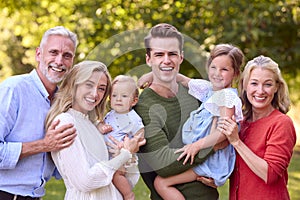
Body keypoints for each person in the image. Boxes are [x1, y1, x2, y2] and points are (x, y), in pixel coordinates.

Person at [134, 23, 219, 200]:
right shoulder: (144, 106)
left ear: (181, 57)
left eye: (172, 54)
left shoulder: (194, 93)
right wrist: (213, 145)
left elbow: (226, 105)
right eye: (159, 54)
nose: (166, 60)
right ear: (149, 59)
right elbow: (164, 163)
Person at [153, 44, 244, 200]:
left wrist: (196, 146)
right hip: (204, 155)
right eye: (213, 67)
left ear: (235, 73)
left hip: (210, 161)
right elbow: (181, 79)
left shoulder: (227, 97)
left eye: (224, 69)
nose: (217, 73)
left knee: (161, 183)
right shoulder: (209, 90)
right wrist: (151, 77)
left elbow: (224, 132)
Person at [45, 61, 145, 200]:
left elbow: (126, 181)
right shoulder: (66, 122)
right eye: (89, 85)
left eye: (101, 88)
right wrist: (125, 154)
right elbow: (86, 182)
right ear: (74, 84)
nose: (95, 93)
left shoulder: (94, 125)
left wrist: (127, 155)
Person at [0, 26, 78, 200]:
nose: (59, 61)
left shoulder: (62, 102)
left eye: (67, 56)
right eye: (53, 52)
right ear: (38, 55)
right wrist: (44, 145)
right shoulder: (13, 90)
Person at [218, 55, 296, 200]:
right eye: (254, 83)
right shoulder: (241, 122)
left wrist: (236, 142)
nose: (260, 91)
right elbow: (238, 168)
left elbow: (270, 174)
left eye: (267, 84)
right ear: (245, 85)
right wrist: (213, 178)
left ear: (277, 87)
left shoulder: (281, 123)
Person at [99, 75, 144, 200]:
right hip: (110, 156)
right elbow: (103, 124)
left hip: (124, 158)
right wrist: (101, 126)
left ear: (133, 101)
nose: (118, 99)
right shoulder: (111, 114)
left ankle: (128, 195)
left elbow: (140, 135)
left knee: (116, 175)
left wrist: (128, 144)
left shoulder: (133, 118)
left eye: (124, 96)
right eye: (114, 95)